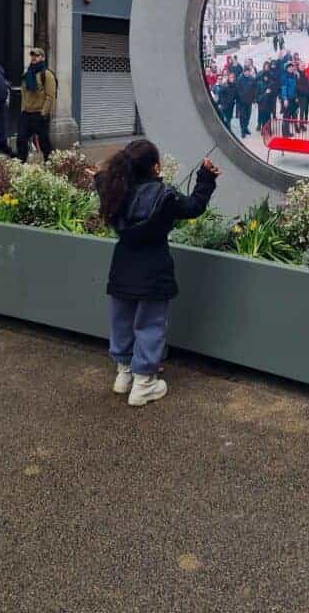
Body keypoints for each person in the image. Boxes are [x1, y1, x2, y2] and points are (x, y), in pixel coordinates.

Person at [96, 141, 219, 406]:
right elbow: (194, 206)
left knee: (122, 321)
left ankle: (124, 375)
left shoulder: (115, 190)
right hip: (154, 271)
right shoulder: (165, 196)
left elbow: (103, 184)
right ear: (155, 167)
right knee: (150, 325)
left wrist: (99, 178)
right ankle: (144, 384)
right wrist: (206, 177)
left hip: (121, 269)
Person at [16, 47, 57, 163]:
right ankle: (21, 164)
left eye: (37, 55)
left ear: (42, 58)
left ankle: (49, 163)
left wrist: (43, 113)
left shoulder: (47, 75)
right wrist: (23, 110)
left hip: (39, 114)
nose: (34, 57)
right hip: (26, 114)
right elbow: (24, 94)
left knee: (44, 142)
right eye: (32, 55)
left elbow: (50, 96)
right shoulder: (26, 74)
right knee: (21, 140)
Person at [236, 65, 257, 137]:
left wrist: (254, 100)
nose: (247, 73)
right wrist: (241, 98)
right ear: (244, 72)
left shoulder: (252, 79)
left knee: (248, 116)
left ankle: (246, 128)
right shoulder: (239, 79)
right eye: (246, 71)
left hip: (249, 101)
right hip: (241, 102)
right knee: (243, 117)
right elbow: (238, 90)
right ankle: (243, 130)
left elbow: (254, 90)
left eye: (248, 71)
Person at [280, 62, 299, 135]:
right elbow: (283, 88)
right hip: (287, 99)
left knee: (290, 115)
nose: (291, 68)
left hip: (293, 98)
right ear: (287, 68)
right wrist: (285, 99)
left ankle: (287, 131)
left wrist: (296, 97)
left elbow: (295, 88)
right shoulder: (284, 76)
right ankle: (285, 132)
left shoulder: (293, 76)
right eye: (289, 67)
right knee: (286, 116)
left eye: (292, 67)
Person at [296, 61, 309, 130]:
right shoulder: (296, 74)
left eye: (304, 66)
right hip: (298, 95)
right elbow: (297, 86)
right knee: (296, 111)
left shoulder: (305, 74)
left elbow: (306, 84)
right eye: (301, 66)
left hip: (304, 96)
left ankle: (301, 124)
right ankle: (296, 125)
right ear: (299, 66)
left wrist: (308, 90)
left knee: (302, 111)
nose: (303, 67)